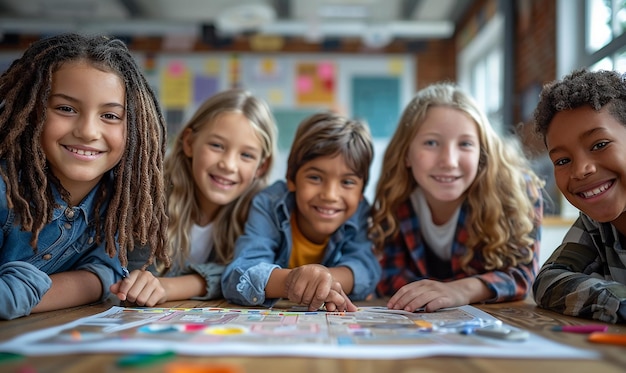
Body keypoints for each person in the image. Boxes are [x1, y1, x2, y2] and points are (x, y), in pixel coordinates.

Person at [0, 33, 170, 320]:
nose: (88, 131)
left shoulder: (119, 202)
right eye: (66, 109)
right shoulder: (5, 189)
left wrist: (20, 294)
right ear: (31, 112)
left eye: (110, 116)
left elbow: (104, 274)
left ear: (136, 131)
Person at [370, 82, 544, 313]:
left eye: (465, 144)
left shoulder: (516, 191)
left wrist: (459, 290)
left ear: (482, 154)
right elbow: (387, 279)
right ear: (406, 154)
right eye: (431, 143)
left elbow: (522, 275)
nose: (449, 161)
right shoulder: (397, 197)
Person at [109, 89, 277, 306]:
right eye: (217, 146)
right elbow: (137, 278)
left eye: (246, 155)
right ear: (189, 143)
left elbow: (249, 274)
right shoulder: (149, 198)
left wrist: (172, 287)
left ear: (261, 167)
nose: (228, 164)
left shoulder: (258, 211)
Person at [221, 112, 381, 311]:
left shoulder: (360, 212)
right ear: (291, 178)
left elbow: (366, 269)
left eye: (347, 182)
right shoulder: (269, 204)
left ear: (361, 193)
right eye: (315, 178)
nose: (330, 195)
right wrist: (292, 281)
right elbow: (239, 273)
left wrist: (323, 279)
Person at [531, 69, 626, 324]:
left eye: (599, 145)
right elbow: (549, 281)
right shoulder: (594, 224)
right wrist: (619, 301)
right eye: (562, 160)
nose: (581, 169)